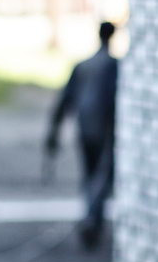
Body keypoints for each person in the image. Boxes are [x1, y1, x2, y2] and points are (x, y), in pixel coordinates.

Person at [45, 21, 119, 248]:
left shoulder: (83, 66)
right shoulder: (114, 67)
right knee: (102, 177)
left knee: (91, 176)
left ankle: (91, 218)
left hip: (86, 127)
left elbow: (64, 102)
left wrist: (53, 133)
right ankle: (91, 218)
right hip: (105, 129)